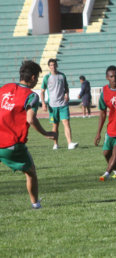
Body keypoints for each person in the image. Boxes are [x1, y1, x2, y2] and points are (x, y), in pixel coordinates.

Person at [0, 60, 56, 209]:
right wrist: (45, 133)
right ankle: (35, 204)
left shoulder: (5, 88)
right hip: (11, 144)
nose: (37, 81)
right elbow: (30, 119)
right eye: (37, 77)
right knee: (30, 172)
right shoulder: (31, 96)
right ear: (32, 78)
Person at [40, 58, 78, 150]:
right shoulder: (46, 78)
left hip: (63, 104)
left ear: (57, 65)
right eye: (51, 65)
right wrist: (43, 103)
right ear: (49, 67)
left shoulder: (62, 76)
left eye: (54, 65)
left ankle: (70, 143)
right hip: (52, 105)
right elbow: (42, 91)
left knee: (66, 123)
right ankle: (56, 144)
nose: (53, 67)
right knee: (55, 125)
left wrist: (67, 95)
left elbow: (66, 87)